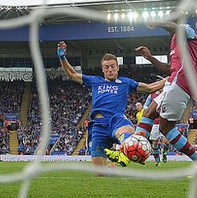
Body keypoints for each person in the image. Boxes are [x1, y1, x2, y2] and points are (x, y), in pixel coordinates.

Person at [57, 41, 166, 172]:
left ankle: (122, 152)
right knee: (100, 173)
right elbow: (72, 75)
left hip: (116, 120)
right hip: (98, 125)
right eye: (107, 67)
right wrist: (62, 57)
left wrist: (170, 79)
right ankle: (114, 164)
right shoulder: (95, 81)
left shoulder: (125, 82)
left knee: (127, 130)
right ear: (102, 69)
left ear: (117, 67)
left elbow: (149, 88)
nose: (110, 69)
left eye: (113, 66)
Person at [132, 20, 197, 168]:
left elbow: (176, 28)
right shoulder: (174, 42)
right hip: (174, 80)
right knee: (148, 114)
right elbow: (169, 69)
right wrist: (150, 57)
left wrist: (158, 22)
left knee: (165, 128)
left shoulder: (188, 32)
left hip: (181, 82)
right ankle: (127, 150)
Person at [143, 90, 170, 166]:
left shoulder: (167, 94)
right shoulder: (151, 95)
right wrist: (151, 109)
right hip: (155, 123)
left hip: (165, 121)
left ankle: (164, 153)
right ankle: (157, 161)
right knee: (155, 143)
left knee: (166, 142)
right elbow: (145, 105)